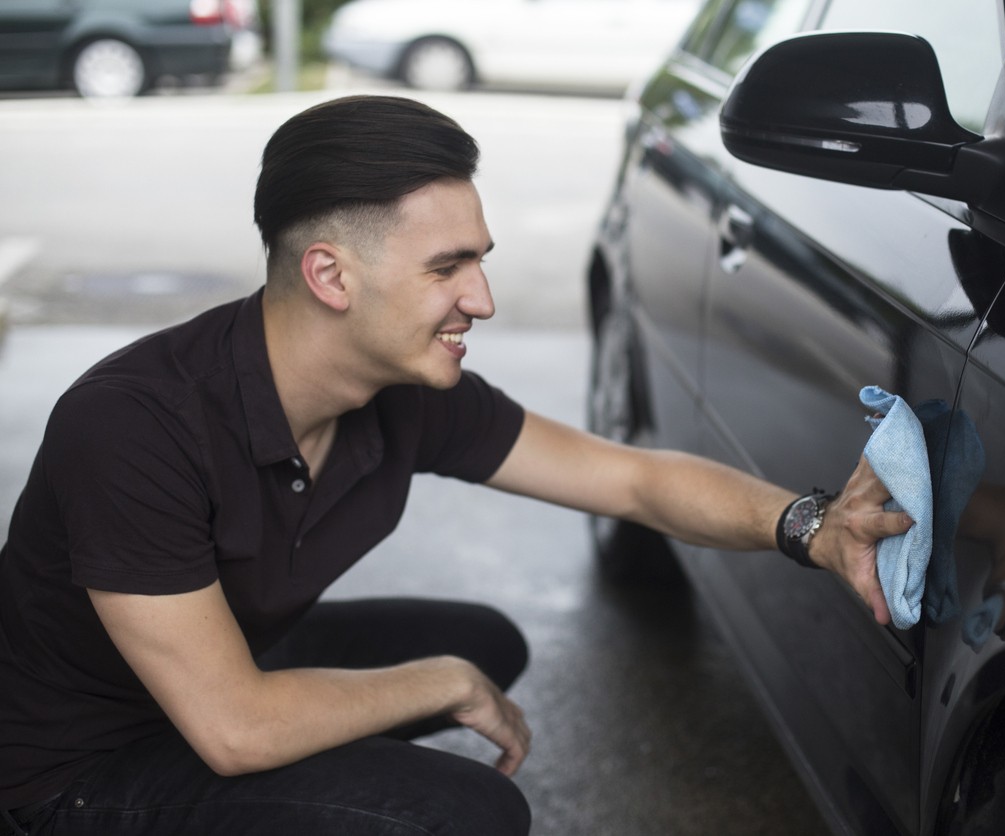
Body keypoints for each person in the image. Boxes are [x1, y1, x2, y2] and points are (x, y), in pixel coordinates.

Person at [0, 95, 912, 836]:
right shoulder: (133, 426)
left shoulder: (404, 393)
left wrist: (812, 526)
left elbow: (628, 478)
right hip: (75, 769)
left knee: (486, 642)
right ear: (330, 277)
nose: (481, 297)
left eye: (479, 260)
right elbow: (236, 730)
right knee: (463, 810)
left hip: (219, 670)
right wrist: (438, 684)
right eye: (449, 267)